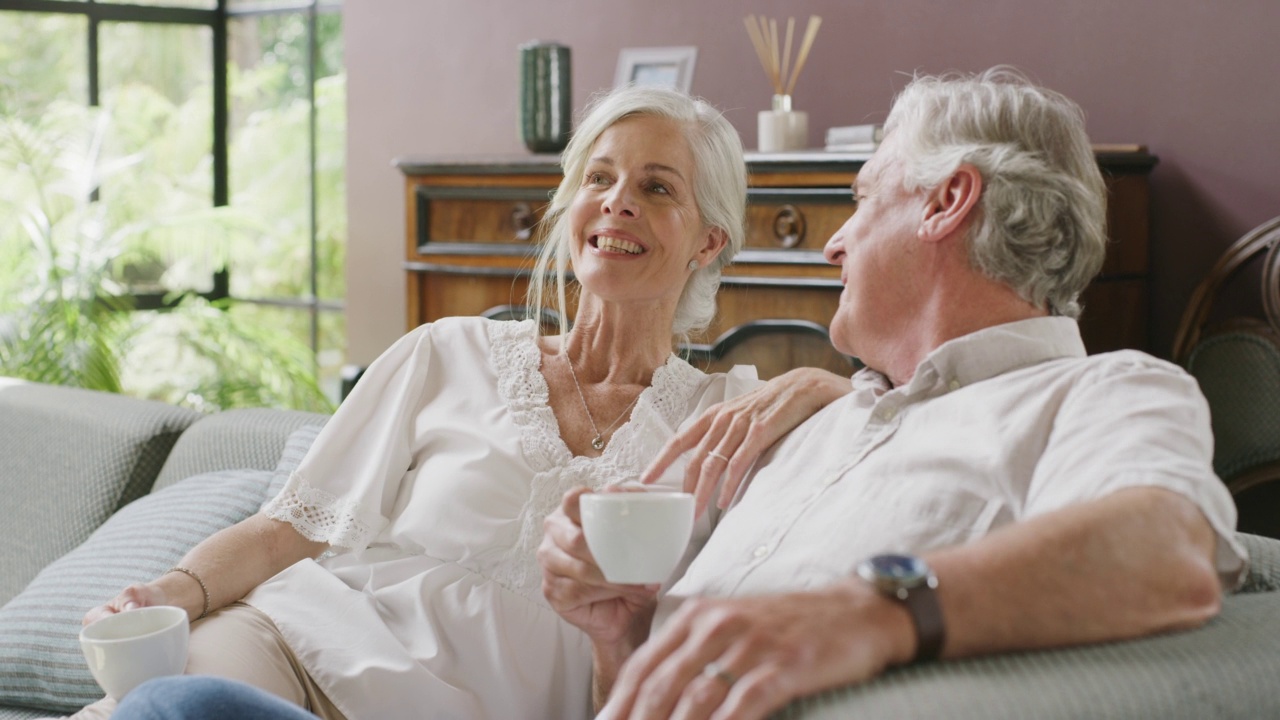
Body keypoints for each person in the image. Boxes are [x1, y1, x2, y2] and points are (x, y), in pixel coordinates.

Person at [73, 84, 849, 720]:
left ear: (709, 241)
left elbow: (907, 421)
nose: (617, 203)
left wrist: (825, 382)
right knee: (176, 707)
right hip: (289, 648)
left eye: (655, 187)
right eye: (599, 179)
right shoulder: (446, 353)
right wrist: (169, 592)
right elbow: (288, 531)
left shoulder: (727, 422)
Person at [538, 67, 1249, 720]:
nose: (834, 244)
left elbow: (1171, 550)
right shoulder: (808, 427)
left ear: (947, 202)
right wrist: (625, 635)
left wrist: (867, 612)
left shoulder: (1101, 391)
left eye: (863, 195)